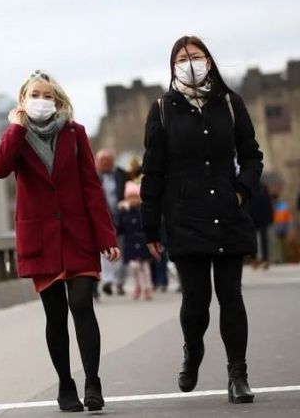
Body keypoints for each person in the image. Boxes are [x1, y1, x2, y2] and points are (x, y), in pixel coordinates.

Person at [0, 70, 120, 412]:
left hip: (77, 235)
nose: (42, 101)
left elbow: (91, 186)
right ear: (23, 100)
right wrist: (16, 127)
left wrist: (106, 235)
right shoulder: (15, 137)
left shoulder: (75, 134)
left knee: (81, 304)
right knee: (55, 314)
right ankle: (66, 383)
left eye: (48, 95)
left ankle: (92, 381)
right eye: (36, 94)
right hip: (41, 239)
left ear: (58, 101)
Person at [141, 36, 263, 404]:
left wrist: (241, 190)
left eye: (196, 56)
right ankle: (192, 352)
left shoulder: (229, 104)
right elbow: (153, 171)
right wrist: (151, 226)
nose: (190, 62)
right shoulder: (163, 109)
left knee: (231, 296)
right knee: (196, 300)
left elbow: (252, 155)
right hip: (185, 216)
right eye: (182, 57)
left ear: (209, 61)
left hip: (227, 212)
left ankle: (238, 374)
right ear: (172, 64)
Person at [95, 149, 128, 296]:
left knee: (122, 251)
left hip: (121, 218)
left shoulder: (121, 174)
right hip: (103, 219)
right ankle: (107, 281)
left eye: (108, 159)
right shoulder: (93, 176)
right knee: (105, 252)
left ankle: (120, 282)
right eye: (102, 160)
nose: (105, 162)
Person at [116, 181, 152, 300]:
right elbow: (120, 227)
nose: (133, 200)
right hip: (130, 242)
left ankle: (147, 287)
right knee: (134, 267)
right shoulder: (124, 212)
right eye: (130, 197)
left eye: (135, 197)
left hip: (142, 242)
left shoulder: (142, 210)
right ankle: (138, 286)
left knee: (145, 267)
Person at [248, 183, 274, 270]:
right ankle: (254, 259)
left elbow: (268, 204)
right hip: (253, 218)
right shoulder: (249, 187)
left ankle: (265, 259)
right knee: (253, 239)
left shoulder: (263, 188)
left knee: (264, 240)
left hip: (263, 218)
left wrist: (270, 218)